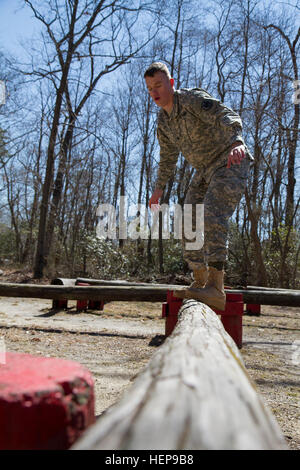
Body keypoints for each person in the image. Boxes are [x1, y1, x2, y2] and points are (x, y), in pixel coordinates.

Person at [145, 62, 253, 310]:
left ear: (171, 84)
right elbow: (168, 158)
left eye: (159, 85)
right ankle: (200, 280)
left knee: (213, 212)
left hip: (229, 158)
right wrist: (158, 189)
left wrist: (237, 140)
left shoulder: (191, 99)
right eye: (150, 89)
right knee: (187, 219)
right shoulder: (164, 122)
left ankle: (216, 286)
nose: (155, 92)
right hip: (205, 170)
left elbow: (224, 114)